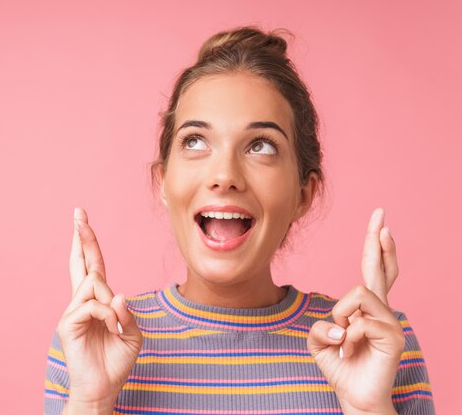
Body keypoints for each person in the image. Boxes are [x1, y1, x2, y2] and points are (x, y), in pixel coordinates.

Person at [45, 26, 435, 415]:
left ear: (304, 194)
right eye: (195, 141)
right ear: (163, 181)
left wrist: (367, 408)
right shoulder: (88, 341)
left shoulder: (376, 344)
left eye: (260, 146)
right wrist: (91, 402)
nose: (225, 175)